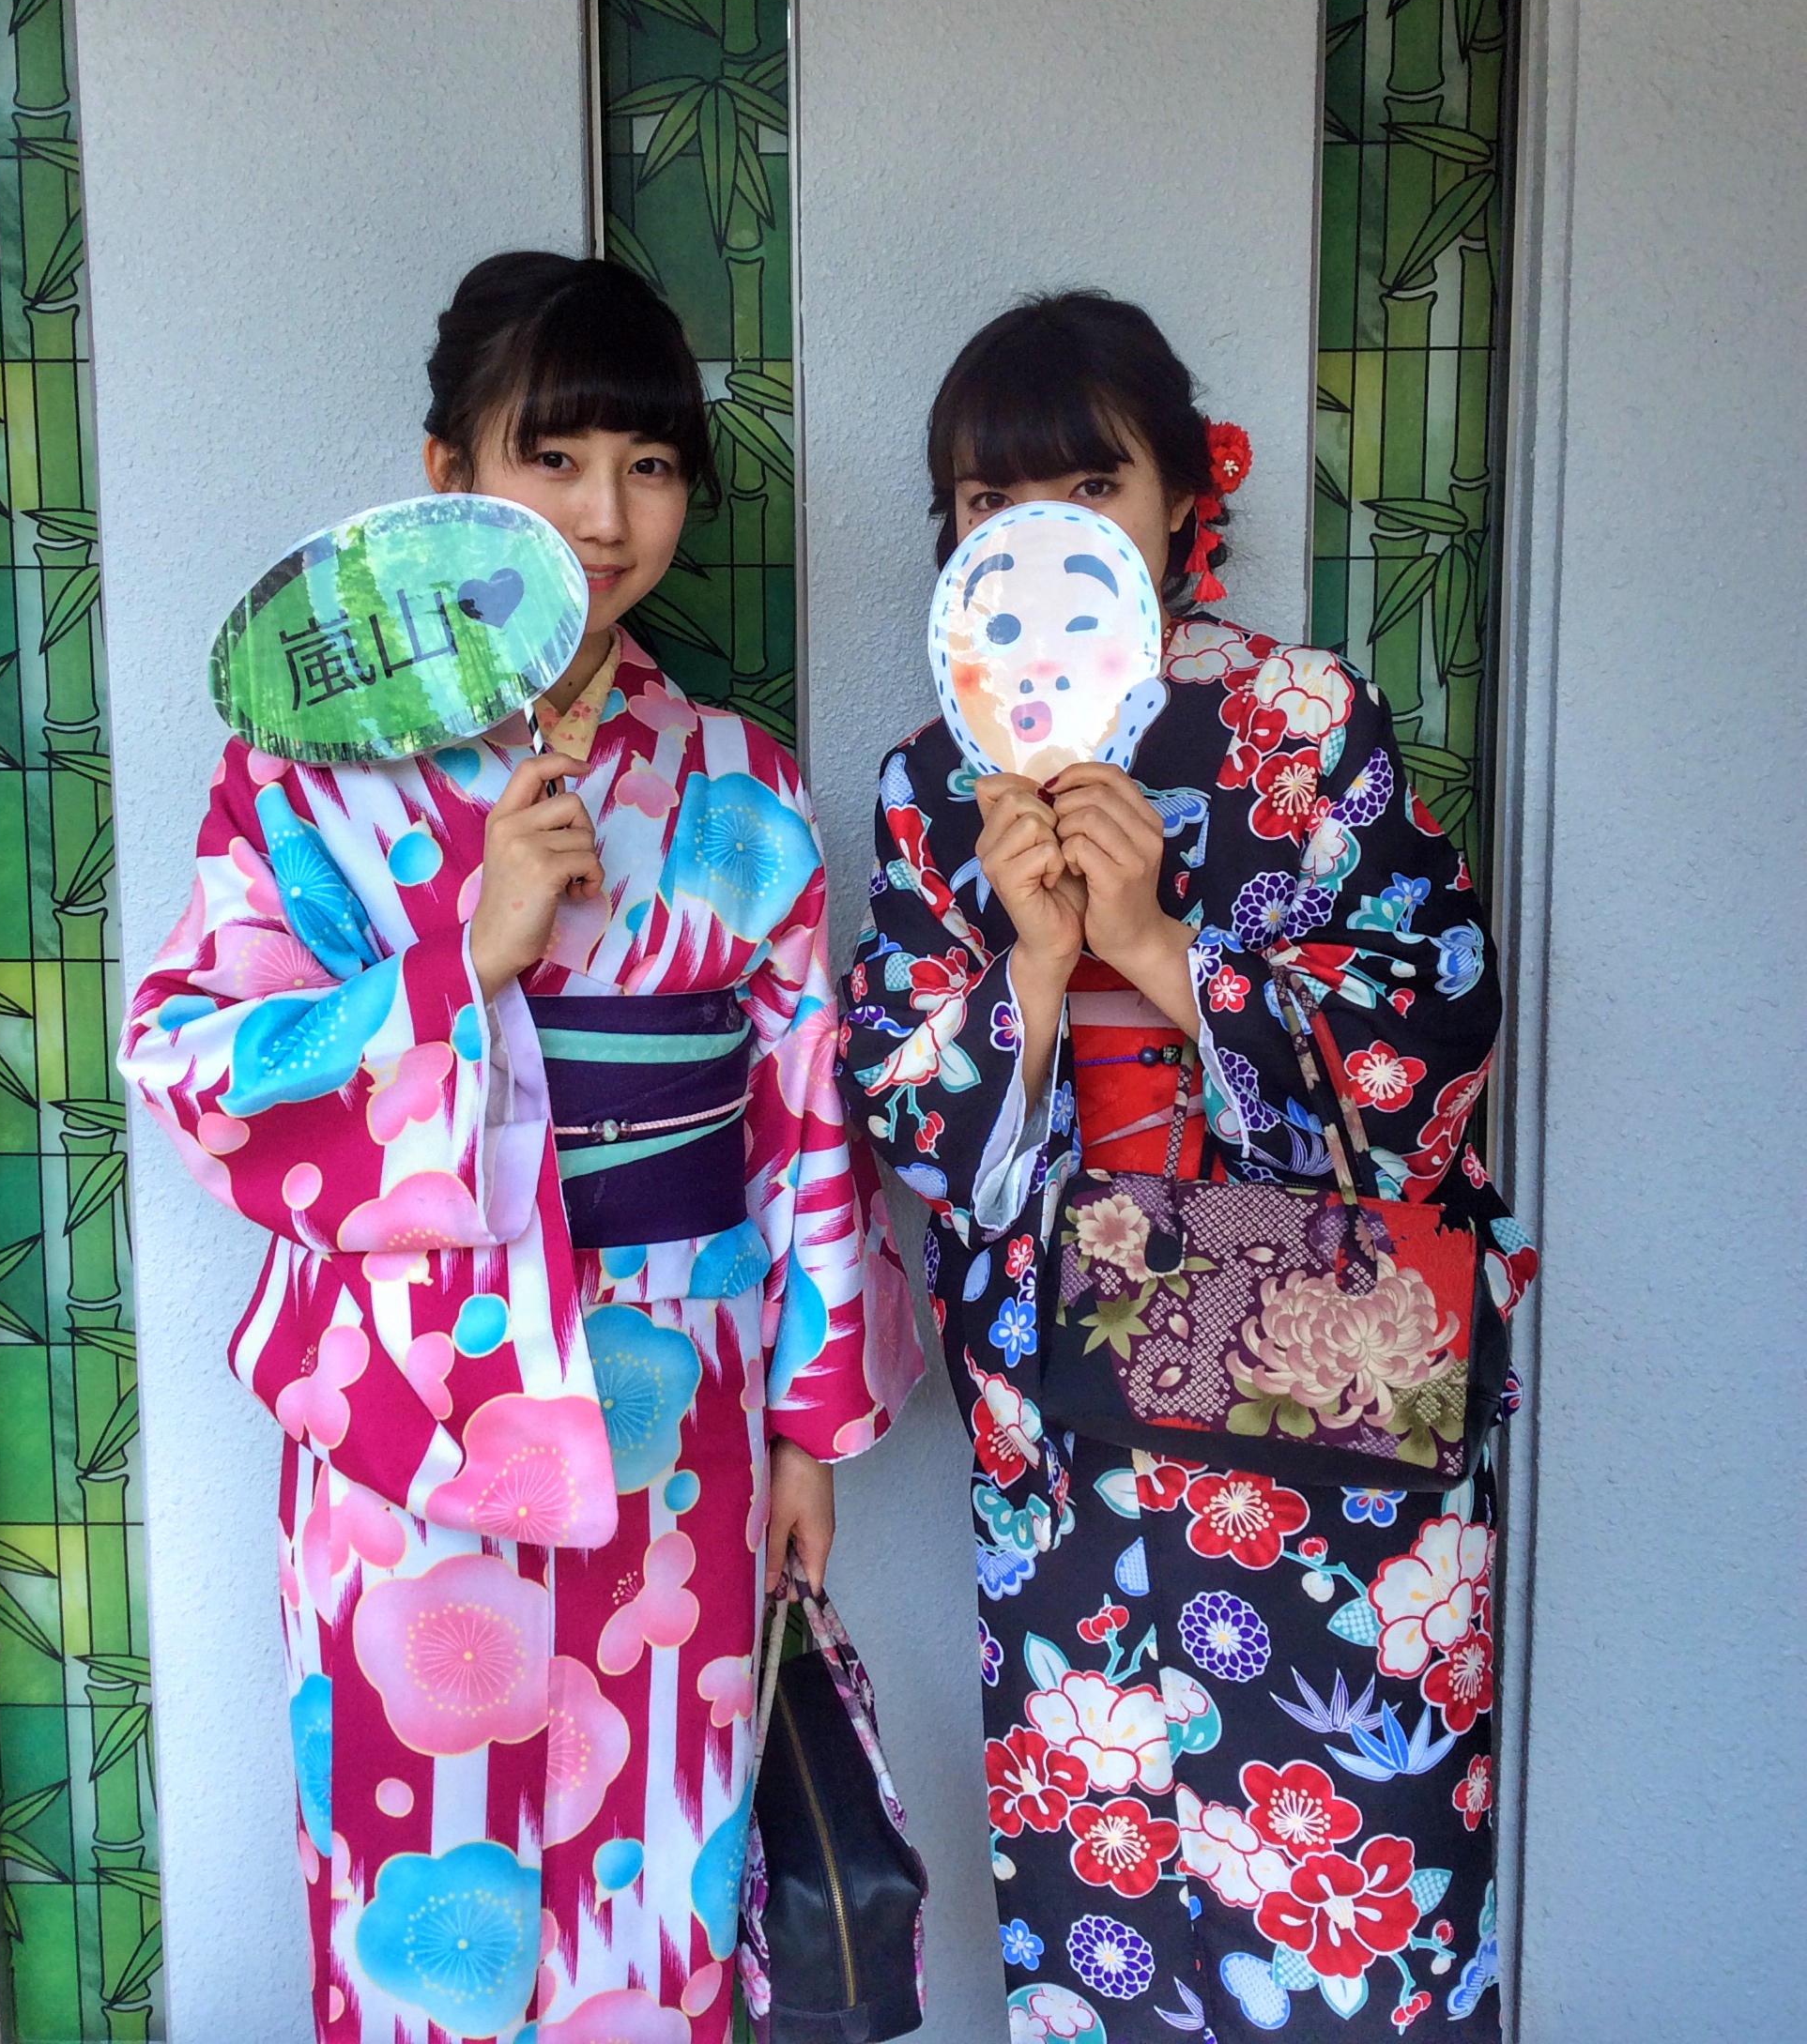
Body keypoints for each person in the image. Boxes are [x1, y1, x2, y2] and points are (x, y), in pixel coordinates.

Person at [121, 252, 923, 2044]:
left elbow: (802, 1107)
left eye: (649, 465)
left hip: (684, 1402)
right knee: (423, 1883)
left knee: (666, 1862)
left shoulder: (738, 777)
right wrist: (458, 964)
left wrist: (808, 1428)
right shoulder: (308, 777)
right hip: (411, 1412)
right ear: (446, 478)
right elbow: (191, 1058)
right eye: (551, 458)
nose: (605, 515)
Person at [836, 293, 1534, 2044]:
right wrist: (1033, 967)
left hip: (1310, 1385)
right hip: (1068, 1409)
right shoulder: (932, 780)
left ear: (1179, 503)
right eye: (990, 503)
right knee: (1105, 1876)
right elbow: (904, 1101)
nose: (1040, 531)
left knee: (1350, 1860)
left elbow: (1433, 1018)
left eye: (1088, 485)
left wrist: (1159, 947)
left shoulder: (1304, 720)